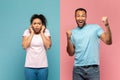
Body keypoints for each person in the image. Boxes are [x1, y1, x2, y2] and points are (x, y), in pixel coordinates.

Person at [66, 8, 112, 80]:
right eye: (78, 16)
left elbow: (108, 41)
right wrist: (68, 38)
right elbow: (71, 53)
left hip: (93, 69)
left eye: (83, 16)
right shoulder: (72, 32)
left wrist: (107, 25)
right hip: (78, 69)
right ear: (75, 17)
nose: (80, 18)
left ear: (86, 17)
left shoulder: (95, 28)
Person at [22, 14, 52, 80]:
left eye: (39, 23)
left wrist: (41, 32)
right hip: (29, 66)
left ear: (42, 25)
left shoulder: (46, 32)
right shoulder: (27, 32)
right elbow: (24, 46)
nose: (36, 25)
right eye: (34, 23)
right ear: (31, 25)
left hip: (43, 67)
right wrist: (32, 33)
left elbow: (48, 46)